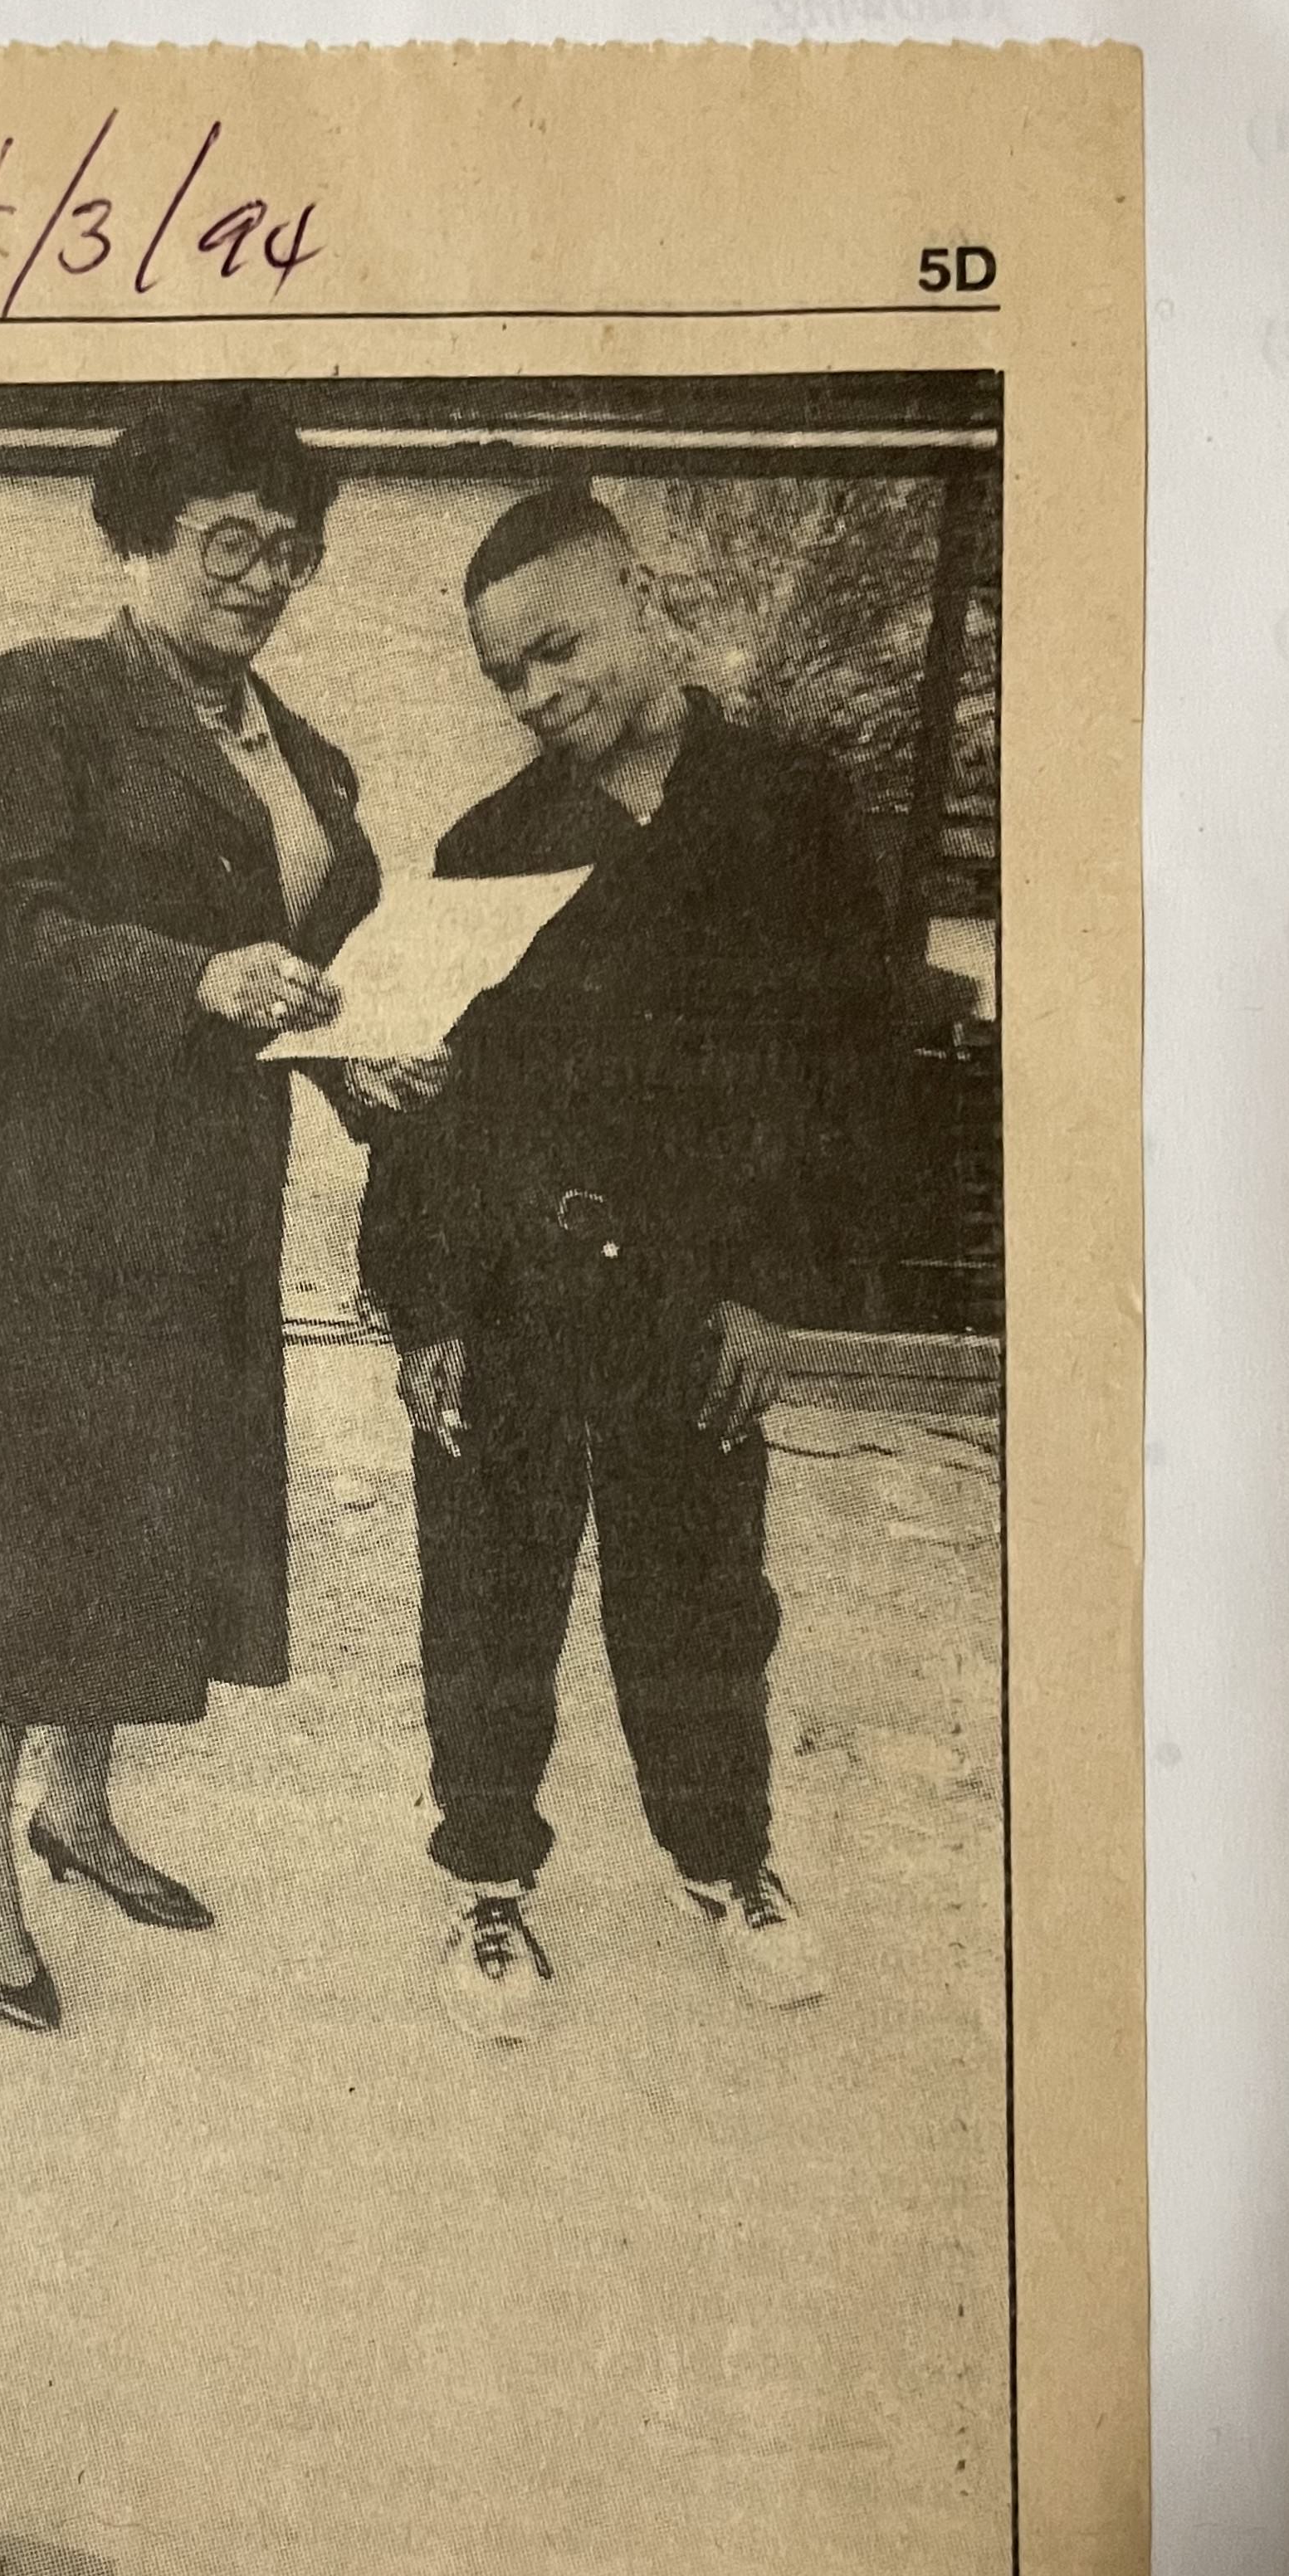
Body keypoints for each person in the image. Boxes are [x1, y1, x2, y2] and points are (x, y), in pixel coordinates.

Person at [357, 481, 894, 2044]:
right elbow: (432, 1113)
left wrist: (772, 1287)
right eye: (502, 677)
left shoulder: (792, 806)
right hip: (515, 1289)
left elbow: (847, 1065)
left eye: (555, 648)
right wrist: (427, 1312)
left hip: (696, 1291)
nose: (534, 694)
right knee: (486, 1595)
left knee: (704, 1594)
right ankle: (488, 1882)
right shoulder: (490, 843)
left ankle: (726, 1863)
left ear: (643, 594)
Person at [0, 387, 429, 2031]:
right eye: (231, 541)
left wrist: (367, 1066)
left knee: (145, 1508)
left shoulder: (306, 748)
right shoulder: (42, 701)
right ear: (145, 537)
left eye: (289, 550)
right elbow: (5, 925)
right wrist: (197, 977)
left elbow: (315, 974)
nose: (263, 577)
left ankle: (80, 1811)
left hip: (209, 1192)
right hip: (58, 1192)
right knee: (29, 1518)